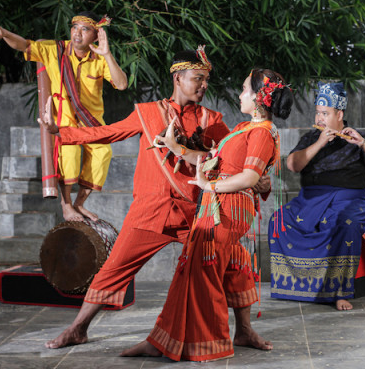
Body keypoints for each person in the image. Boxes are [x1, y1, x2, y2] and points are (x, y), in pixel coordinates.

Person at [38, 47, 270, 351]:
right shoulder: (147, 114)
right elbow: (107, 133)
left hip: (195, 210)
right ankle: (78, 329)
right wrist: (61, 133)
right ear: (177, 77)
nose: (203, 86)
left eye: (205, 80)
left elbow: (235, 157)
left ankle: (244, 331)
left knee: (235, 259)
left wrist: (260, 180)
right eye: (197, 79)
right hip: (150, 209)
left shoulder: (212, 120)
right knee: (114, 268)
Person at [120, 68, 294, 361]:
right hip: (219, 208)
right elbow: (213, 160)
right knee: (201, 268)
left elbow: (250, 176)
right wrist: (176, 148)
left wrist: (207, 184)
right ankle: (166, 339)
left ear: (258, 97)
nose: (239, 94)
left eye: (243, 90)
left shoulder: (262, 132)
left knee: (201, 273)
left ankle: (205, 345)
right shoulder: (245, 128)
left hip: (225, 211)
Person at [0, 13, 128, 222]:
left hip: (90, 122)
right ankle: (66, 204)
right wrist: (4, 33)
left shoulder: (99, 59)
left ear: (96, 36)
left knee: (103, 153)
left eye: (85, 29)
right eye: (74, 27)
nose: (77, 33)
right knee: (69, 157)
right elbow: (24, 45)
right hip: (64, 122)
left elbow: (122, 84)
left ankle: (79, 204)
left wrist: (107, 54)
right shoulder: (55, 50)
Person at [268, 82, 365, 311]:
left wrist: (362, 143)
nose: (320, 117)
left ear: (339, 114)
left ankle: (339, 291)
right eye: (318, 112)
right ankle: (296, 285)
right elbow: (293, 165)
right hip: (311, 201)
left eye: (325, 113)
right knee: (278, 219)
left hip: (350, 201)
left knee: (347, 223)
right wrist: (319, 142)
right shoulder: (311, 138)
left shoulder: (358, 137)